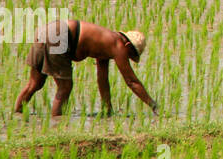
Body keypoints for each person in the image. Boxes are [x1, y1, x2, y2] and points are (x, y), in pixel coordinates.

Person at [14, 18, 157, 117]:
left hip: (47, 30)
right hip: (59, 35)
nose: (127, 57)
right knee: (65, 87)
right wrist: (153, 105)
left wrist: (107, 109)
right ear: (128, 46)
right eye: (131, 54)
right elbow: (131, 81)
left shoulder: (107, 43)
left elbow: (102, 80)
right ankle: (56, 125)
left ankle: (17, 116)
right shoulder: (118, 46)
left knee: (35, 83)